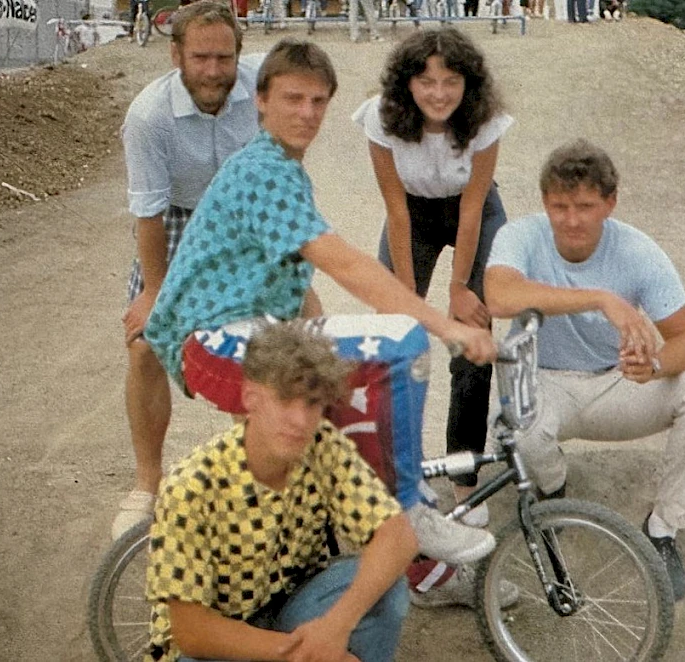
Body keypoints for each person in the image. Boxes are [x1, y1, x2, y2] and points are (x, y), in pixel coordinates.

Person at [144, 39, 499, 567]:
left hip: (247, 337)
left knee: (354, 404)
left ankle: (417, 573)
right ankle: (409, 510)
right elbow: (345, 263)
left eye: (318, 101)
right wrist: (447, 327)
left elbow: (297, 287)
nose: (306, 113)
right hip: (216, 342)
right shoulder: (263, 171)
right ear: (261, 100)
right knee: (403, 340)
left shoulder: (284, 170)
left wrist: (334, 345)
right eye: (292, 98)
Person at [483, 140, 685, 601]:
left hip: (615, 383)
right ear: (544, 202)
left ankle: (662, 530)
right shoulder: (521, 235)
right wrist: (602, 298)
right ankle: (554, 496)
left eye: (585, 206)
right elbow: (498, 296)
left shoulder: (638, 250)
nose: (572, 220)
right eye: (560, 206)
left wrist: (654, 365)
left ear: (609, 204)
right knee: (520, 427)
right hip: (545, 384)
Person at [144, 321, 418, 662]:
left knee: (387, 587)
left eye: (313, 404)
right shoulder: (192, 484)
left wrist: (335, 628)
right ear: (251, 398)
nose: (300, 421)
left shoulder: (320, 444)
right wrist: (303, 653)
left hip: (288, 606)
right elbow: (193, 632)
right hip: (218, 639)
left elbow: (398, 537)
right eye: (286, 400)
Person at [352, 28, 513, 529]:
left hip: (474, 211)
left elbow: (471, 211)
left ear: (469, 83)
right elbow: (395, 211)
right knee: (394, 337)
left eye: (450, 81)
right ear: (407, 84)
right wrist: (406, 299)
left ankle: (463, 473)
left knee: (473, 338)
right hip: (413, 216)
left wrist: (459, 288)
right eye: (426, 81)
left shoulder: (484, 120)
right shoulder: (381, 117)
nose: (438, 93)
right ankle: (399, 469)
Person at [114, 1, 263, 540]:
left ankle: (257, 479)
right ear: (175, 54)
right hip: (175, 215)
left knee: (262, 348)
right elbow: (148, 213)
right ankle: (147, 483)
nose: (213, 70)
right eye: (200, 57)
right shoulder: (149, 115)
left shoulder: (263, 90)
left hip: (243, 217)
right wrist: (154, 291)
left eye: (224, 57)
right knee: (146, 345)